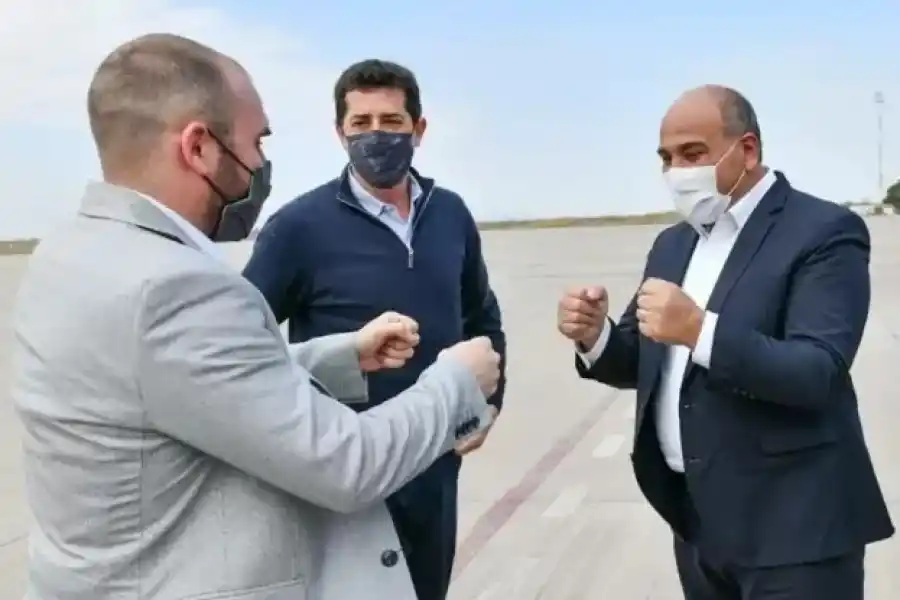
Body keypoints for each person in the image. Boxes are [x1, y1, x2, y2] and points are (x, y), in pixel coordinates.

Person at [11, 34, 501, 600]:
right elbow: (346, 465)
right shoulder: (176, 287)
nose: (262, 163)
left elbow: (193, 378)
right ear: (199, 148)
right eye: (256, 141)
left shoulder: (71, 253)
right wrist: (458, 386)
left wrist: (340, 355)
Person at [556, 85, 894, 600]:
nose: (677, 171)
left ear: (747, 150)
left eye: (693, 153)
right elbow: (646, 360)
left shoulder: (823, 231)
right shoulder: (674, 243)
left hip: (796, 533)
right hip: (699, 527)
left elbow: (817, 371)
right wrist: (595, 335)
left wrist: (699, 329)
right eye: (666, 158)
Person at [242, 59, 506, 600]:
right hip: (347, 473)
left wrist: (488, 405)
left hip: (434, 465)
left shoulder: (450, 215)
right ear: (340, 133)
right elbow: (242, 344)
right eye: (360, 123)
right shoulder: (297, 228)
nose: (376, 136)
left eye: (391, 121)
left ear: (419, 129)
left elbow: (482, 317)